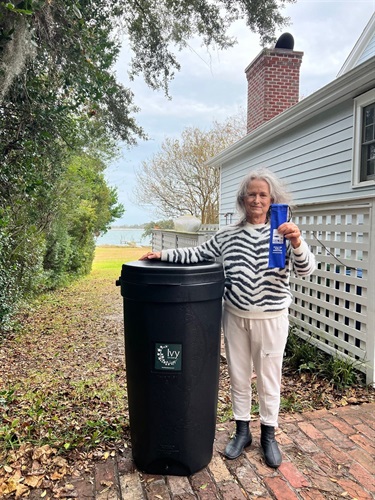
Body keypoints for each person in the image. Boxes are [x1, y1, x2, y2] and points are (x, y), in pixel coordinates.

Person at [140, 167, 316, 468]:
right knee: (237, 374)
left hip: (272, 318)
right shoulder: (228, 236)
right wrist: (163, 255)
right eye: (251, 194)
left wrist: (298, 242)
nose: (257, 200)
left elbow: (306, 270)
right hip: (235, 316)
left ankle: (269, 435)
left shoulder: (284, 233)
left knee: (269, 378)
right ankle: (242, 431)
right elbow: (197, 253)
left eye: (263, 194)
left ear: (271, 199)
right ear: (242, 199)